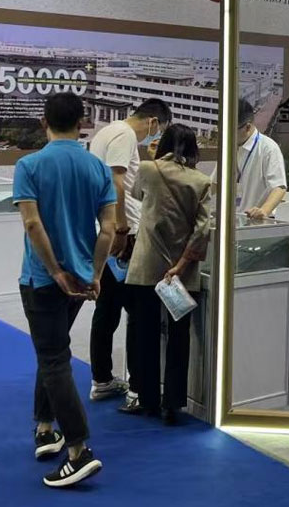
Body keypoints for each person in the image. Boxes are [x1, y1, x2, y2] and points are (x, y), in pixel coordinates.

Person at [14, 92, 117, 488]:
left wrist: (54, 270)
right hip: (80, 279)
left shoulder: (29, 165)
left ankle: (78, 450)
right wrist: (95, 272)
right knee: (53, 349)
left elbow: (32, 224)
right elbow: (108, 228)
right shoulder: (98, 168)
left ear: (44, 122)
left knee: (54, 358)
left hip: (42, 280)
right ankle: (45, 429)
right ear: (82, 123)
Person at [123, 124, 214, 423]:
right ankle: (173, 403)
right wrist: (181, 265)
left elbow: (136, 194)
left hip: (147, 267)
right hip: (181, 273)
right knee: (179, 337)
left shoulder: (148, 169)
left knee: (145, 334)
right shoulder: (201, 181)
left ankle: (148, 399)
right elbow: (202, 230)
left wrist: (153, 158)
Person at [86, 98, 172, 402]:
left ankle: (102, 379)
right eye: (159, 129)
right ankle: (138, 387)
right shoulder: (124, 136)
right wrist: (121, 228)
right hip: (126, 235)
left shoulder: (106, 131)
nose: (155, 136)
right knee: (138, 310)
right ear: (153, 121)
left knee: (107, 308)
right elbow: (117, 182)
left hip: (105, 229)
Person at [234, 98, 287, 221]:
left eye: (231, 130)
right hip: (236, 219)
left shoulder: (268, 148)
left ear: (247, 127)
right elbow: (214, 183)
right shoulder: (229, 148)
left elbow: (279, 188)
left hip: (257, 221)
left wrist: (263, 211)